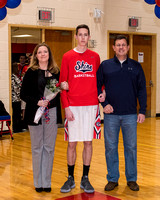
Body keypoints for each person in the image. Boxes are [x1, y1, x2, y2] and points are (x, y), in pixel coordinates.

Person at [97, 35, 147, 192]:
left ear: (128, 47)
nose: (121, 47)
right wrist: (104, 104)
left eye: (123, 45)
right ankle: (112, 179)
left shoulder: (136, 66)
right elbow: (97, 86)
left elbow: (142, 90)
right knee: (110, 147)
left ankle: (131, 179)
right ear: (113, 47)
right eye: (118, 45)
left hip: (130, 115)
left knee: (131, 147)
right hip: (111, 115)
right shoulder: (105, 65)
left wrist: (143, 111)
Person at [59, 24, 101, 194]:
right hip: (73, 107)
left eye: (86, 35)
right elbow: (62, 85)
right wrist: (66, 107)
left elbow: (100, 81)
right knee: (72, 143)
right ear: (76, 36)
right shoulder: (67, 56)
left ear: (89, 37)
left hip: (91, 106)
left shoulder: (95, 57)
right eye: (80, 35)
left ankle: (85, 177)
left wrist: (103, 93)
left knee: (88, 142)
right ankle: (70, 178)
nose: (83, 38)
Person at [20, 43, 62, 193]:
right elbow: (23, 94)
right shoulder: (31, 72)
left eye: (45, 51)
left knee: (49, 148)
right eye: (40, 52)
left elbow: (58, 92)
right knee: (37, 148)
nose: (43, 54)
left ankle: (47, 181)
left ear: (49, 54)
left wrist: (64, 86)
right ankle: (38, 183)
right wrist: (37, 101)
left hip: (51, 113)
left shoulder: (56, 72)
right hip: (35, 113)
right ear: (36, 55)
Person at [11, 62, 22, 132]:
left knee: (17, 113)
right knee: (16, 113)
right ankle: (16, 127)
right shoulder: (12, 77)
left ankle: (18, 127)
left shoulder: (15, 76)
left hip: (17, 98)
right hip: (15, 98)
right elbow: (15, 88)